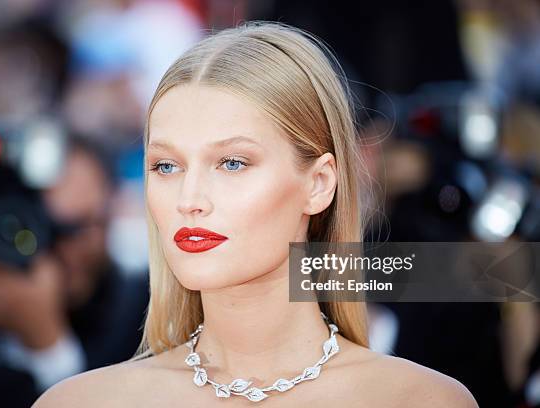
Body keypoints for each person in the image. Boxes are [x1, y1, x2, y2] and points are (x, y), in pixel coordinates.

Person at [33, 21, 478, 407]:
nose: (190, 199)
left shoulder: (424, 400)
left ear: (319, 183)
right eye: (166, 166)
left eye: (232, 163)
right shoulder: (78, 402)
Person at [0, 137, 149, 406]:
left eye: (84, 226)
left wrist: (48, 345)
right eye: (45, 225)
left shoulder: (136, 319)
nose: (69, 249)